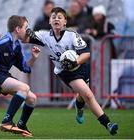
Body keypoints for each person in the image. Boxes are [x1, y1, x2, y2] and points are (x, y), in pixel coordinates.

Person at [26, 7, 118, 135]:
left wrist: (74, 62)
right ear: (49, 22)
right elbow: (25, 37)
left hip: (79, 66)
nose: (56, 19)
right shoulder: (44, 35)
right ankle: (108, 124)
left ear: (65, 22)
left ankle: (79, 106)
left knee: (83, 95)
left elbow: (86, 54)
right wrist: (22, 30)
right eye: (53, 17)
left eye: (59, 17)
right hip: (64, 71)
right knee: (88, 94)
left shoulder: (72, 35)